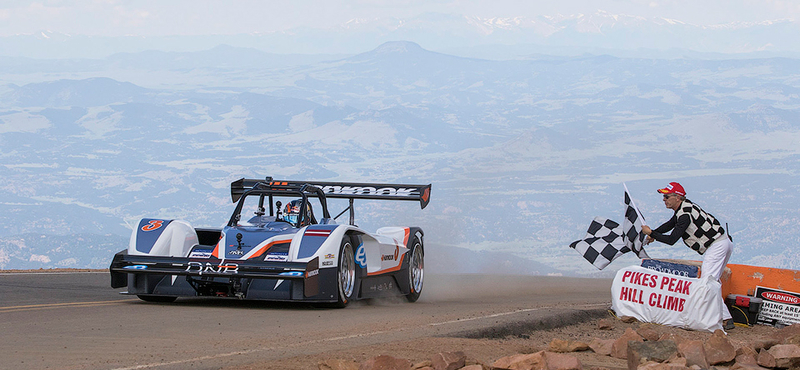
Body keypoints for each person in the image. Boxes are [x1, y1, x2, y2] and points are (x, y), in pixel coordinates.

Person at [641, 182, 735, 329]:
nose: (664, 200)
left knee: (707, 282)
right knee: (712, 281)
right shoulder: (685, 208)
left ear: (677, 197)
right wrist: (654, 233)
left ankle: (722, 319)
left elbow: (672, 239)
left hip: (716, 245)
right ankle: (723, 317)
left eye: (666, 196)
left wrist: (652, 233)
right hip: (724, 242)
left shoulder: (684, 215)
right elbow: (669, 224)